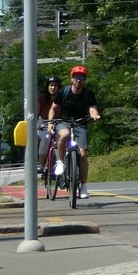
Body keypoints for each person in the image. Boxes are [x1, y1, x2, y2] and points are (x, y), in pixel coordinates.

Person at [49, 64, 101, 199]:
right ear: (72, 79)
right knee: (64, 135)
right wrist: (50, 122)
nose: (79, 81)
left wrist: (94, 114)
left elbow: (92, 108)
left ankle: (83, 186)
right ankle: (60, 161)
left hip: (80, 124)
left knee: (83, 154)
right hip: (63, 122)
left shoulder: (88, 94)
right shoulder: (64, 92)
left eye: (82, 78)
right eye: (77, 78)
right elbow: (54, 109)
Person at [36, 75, 61, 172]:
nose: (53, 88)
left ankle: (63, 163)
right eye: (51, 85)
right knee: (46, 138)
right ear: (47, 86)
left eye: (55, 86)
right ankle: (41, 164)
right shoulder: (41, 97)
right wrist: (36, 125)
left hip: (59, 122)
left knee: (63, 140)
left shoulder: (62, 96)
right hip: (44, 123)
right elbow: (37, 112)